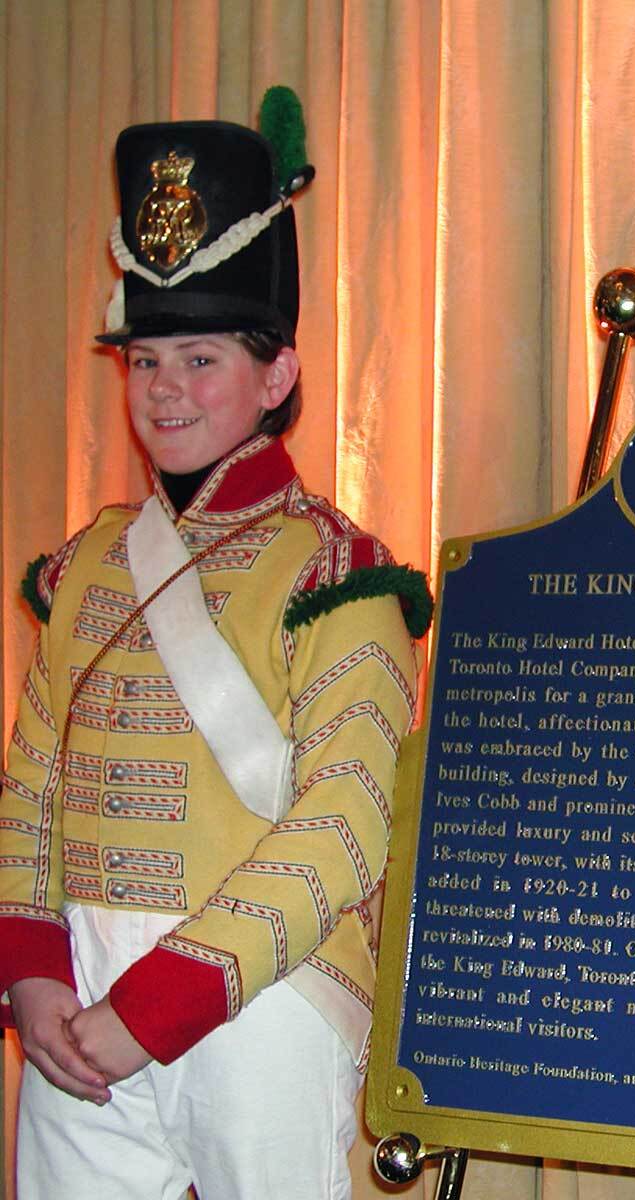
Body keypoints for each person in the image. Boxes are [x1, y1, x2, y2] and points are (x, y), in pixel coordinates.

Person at [0, 97, 431, 1199]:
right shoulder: (86, 564)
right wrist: (35, 977)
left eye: (201, 359)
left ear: (276, 377)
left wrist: (159, 1006)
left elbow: (344, 824)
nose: (166, 392)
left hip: (258, 991)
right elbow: (32, 784)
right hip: (75, 995)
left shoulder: (340, 569)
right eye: (146, 361)